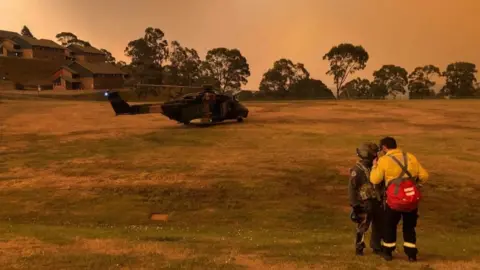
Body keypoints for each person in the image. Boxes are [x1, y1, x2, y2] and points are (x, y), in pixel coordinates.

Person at [370, 136, 429, 262]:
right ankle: (411, 254)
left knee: (390, 225)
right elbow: (424, 176)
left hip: (394, 200)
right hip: (411, 200)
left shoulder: (384, 160)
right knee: (409, 227)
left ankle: (388, 252)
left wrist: (375, 166)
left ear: (384, 147)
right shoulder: (410, 156)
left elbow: (375, 179)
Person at [348, 142, 384, 256]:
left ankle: (376, 246)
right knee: (363, 226)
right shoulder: (357, 170)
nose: (376, 156)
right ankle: (359, 246)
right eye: (374, 154)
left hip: (376, 201)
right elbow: (352, 188)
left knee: (378, 225)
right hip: (364, 203)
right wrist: (355, 204)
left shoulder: (376, 167)